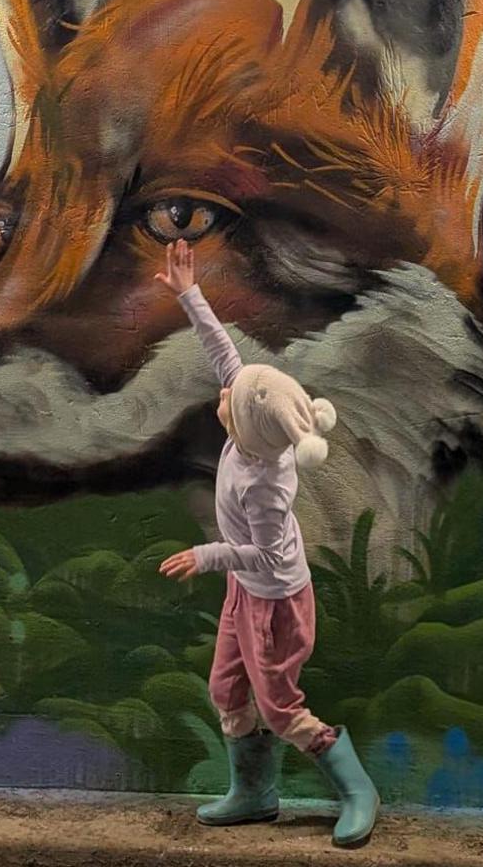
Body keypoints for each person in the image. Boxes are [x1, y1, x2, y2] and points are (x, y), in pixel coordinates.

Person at [153, 238, 378, 848]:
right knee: (225, 687)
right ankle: (254, 793)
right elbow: (227, 357)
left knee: (279, 707)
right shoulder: (252, 418)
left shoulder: (265, 485)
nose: (222, 393)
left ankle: (357, 788)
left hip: (275, 603)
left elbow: (265, 555)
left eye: (231, 399)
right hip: (243, 592)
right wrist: (189, 294)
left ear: (250, 429)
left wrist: (206, 556)